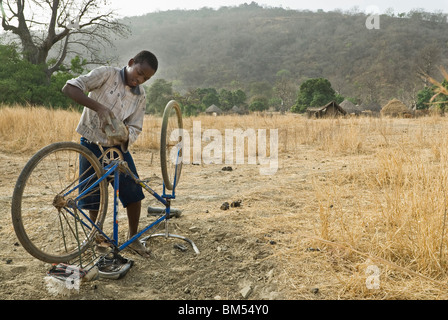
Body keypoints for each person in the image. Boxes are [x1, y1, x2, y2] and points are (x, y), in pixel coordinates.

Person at [62, 50, 158, 258]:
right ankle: (98, 239)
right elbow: (69, 87)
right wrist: (99, 108)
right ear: (131, 62)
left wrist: (125, 134)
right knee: (93, 196)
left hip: (116, 150)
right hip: (91, 143)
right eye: (139, 73)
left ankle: (133, 239)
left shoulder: (140, 95)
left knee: (134, 192)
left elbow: (136, 127)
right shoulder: (106, 74)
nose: (139, 80)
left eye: (145, 78)